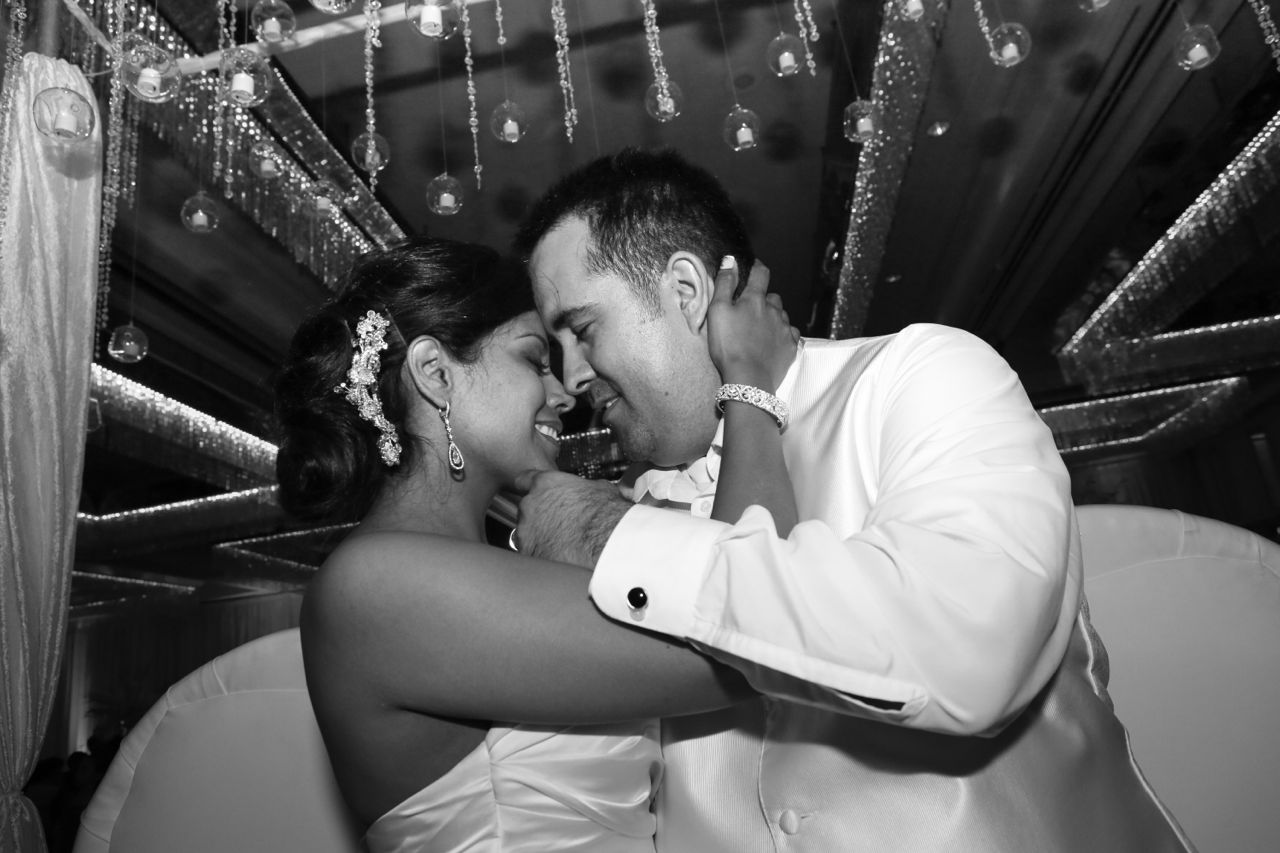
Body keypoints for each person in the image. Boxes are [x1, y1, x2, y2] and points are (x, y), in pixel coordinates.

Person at [510, 147, 1196, 852]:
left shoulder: (920, 375)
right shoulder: (640, 503)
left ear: (686, 291)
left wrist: (608, 536)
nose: (572, 377)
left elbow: (966, 654)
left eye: (582, 331)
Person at [275, 237, 796, 851]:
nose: (564, 393)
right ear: (435, 373)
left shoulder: (491, 565)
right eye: (533, 360)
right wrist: (747, 377)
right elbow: (748, 642)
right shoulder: (375, 583)